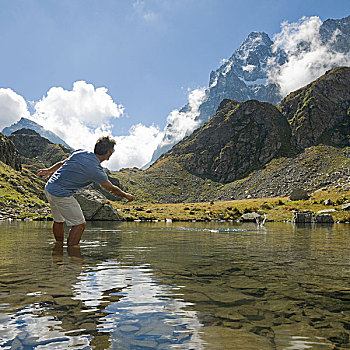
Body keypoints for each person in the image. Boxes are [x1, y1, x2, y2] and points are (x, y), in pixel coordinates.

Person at [37, 136, 135, 246]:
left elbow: (63, 163)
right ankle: (73, 259)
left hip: (49, 187)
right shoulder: (96, 171)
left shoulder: (80, 153)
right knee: (79, 225)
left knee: (58, 221)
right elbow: (111, 189)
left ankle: (58, 250)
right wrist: (127, 196)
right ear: (108, 153)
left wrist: (49, 170)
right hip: (61, 194)